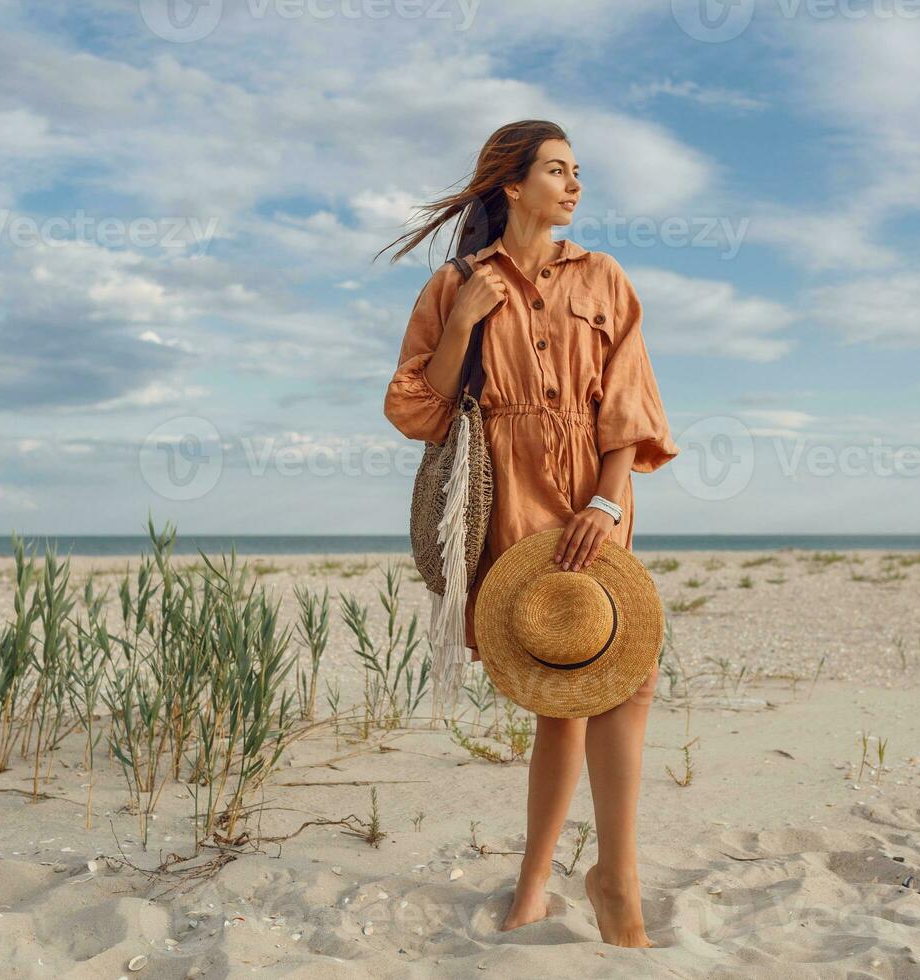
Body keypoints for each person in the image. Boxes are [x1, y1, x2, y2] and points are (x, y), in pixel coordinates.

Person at [378, 119, 680, 948]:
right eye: (557, 170)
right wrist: (460, 327)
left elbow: (629, 406)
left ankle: (615, 877)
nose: (575, 184)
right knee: (562, 691)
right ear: (512, 185)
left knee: (631, 673)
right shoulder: (456, 284)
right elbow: (416, 410)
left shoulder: (604, 276)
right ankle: (538, 880)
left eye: (578, 171)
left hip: (594, 495)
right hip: (510, 500)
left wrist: (608, 504)